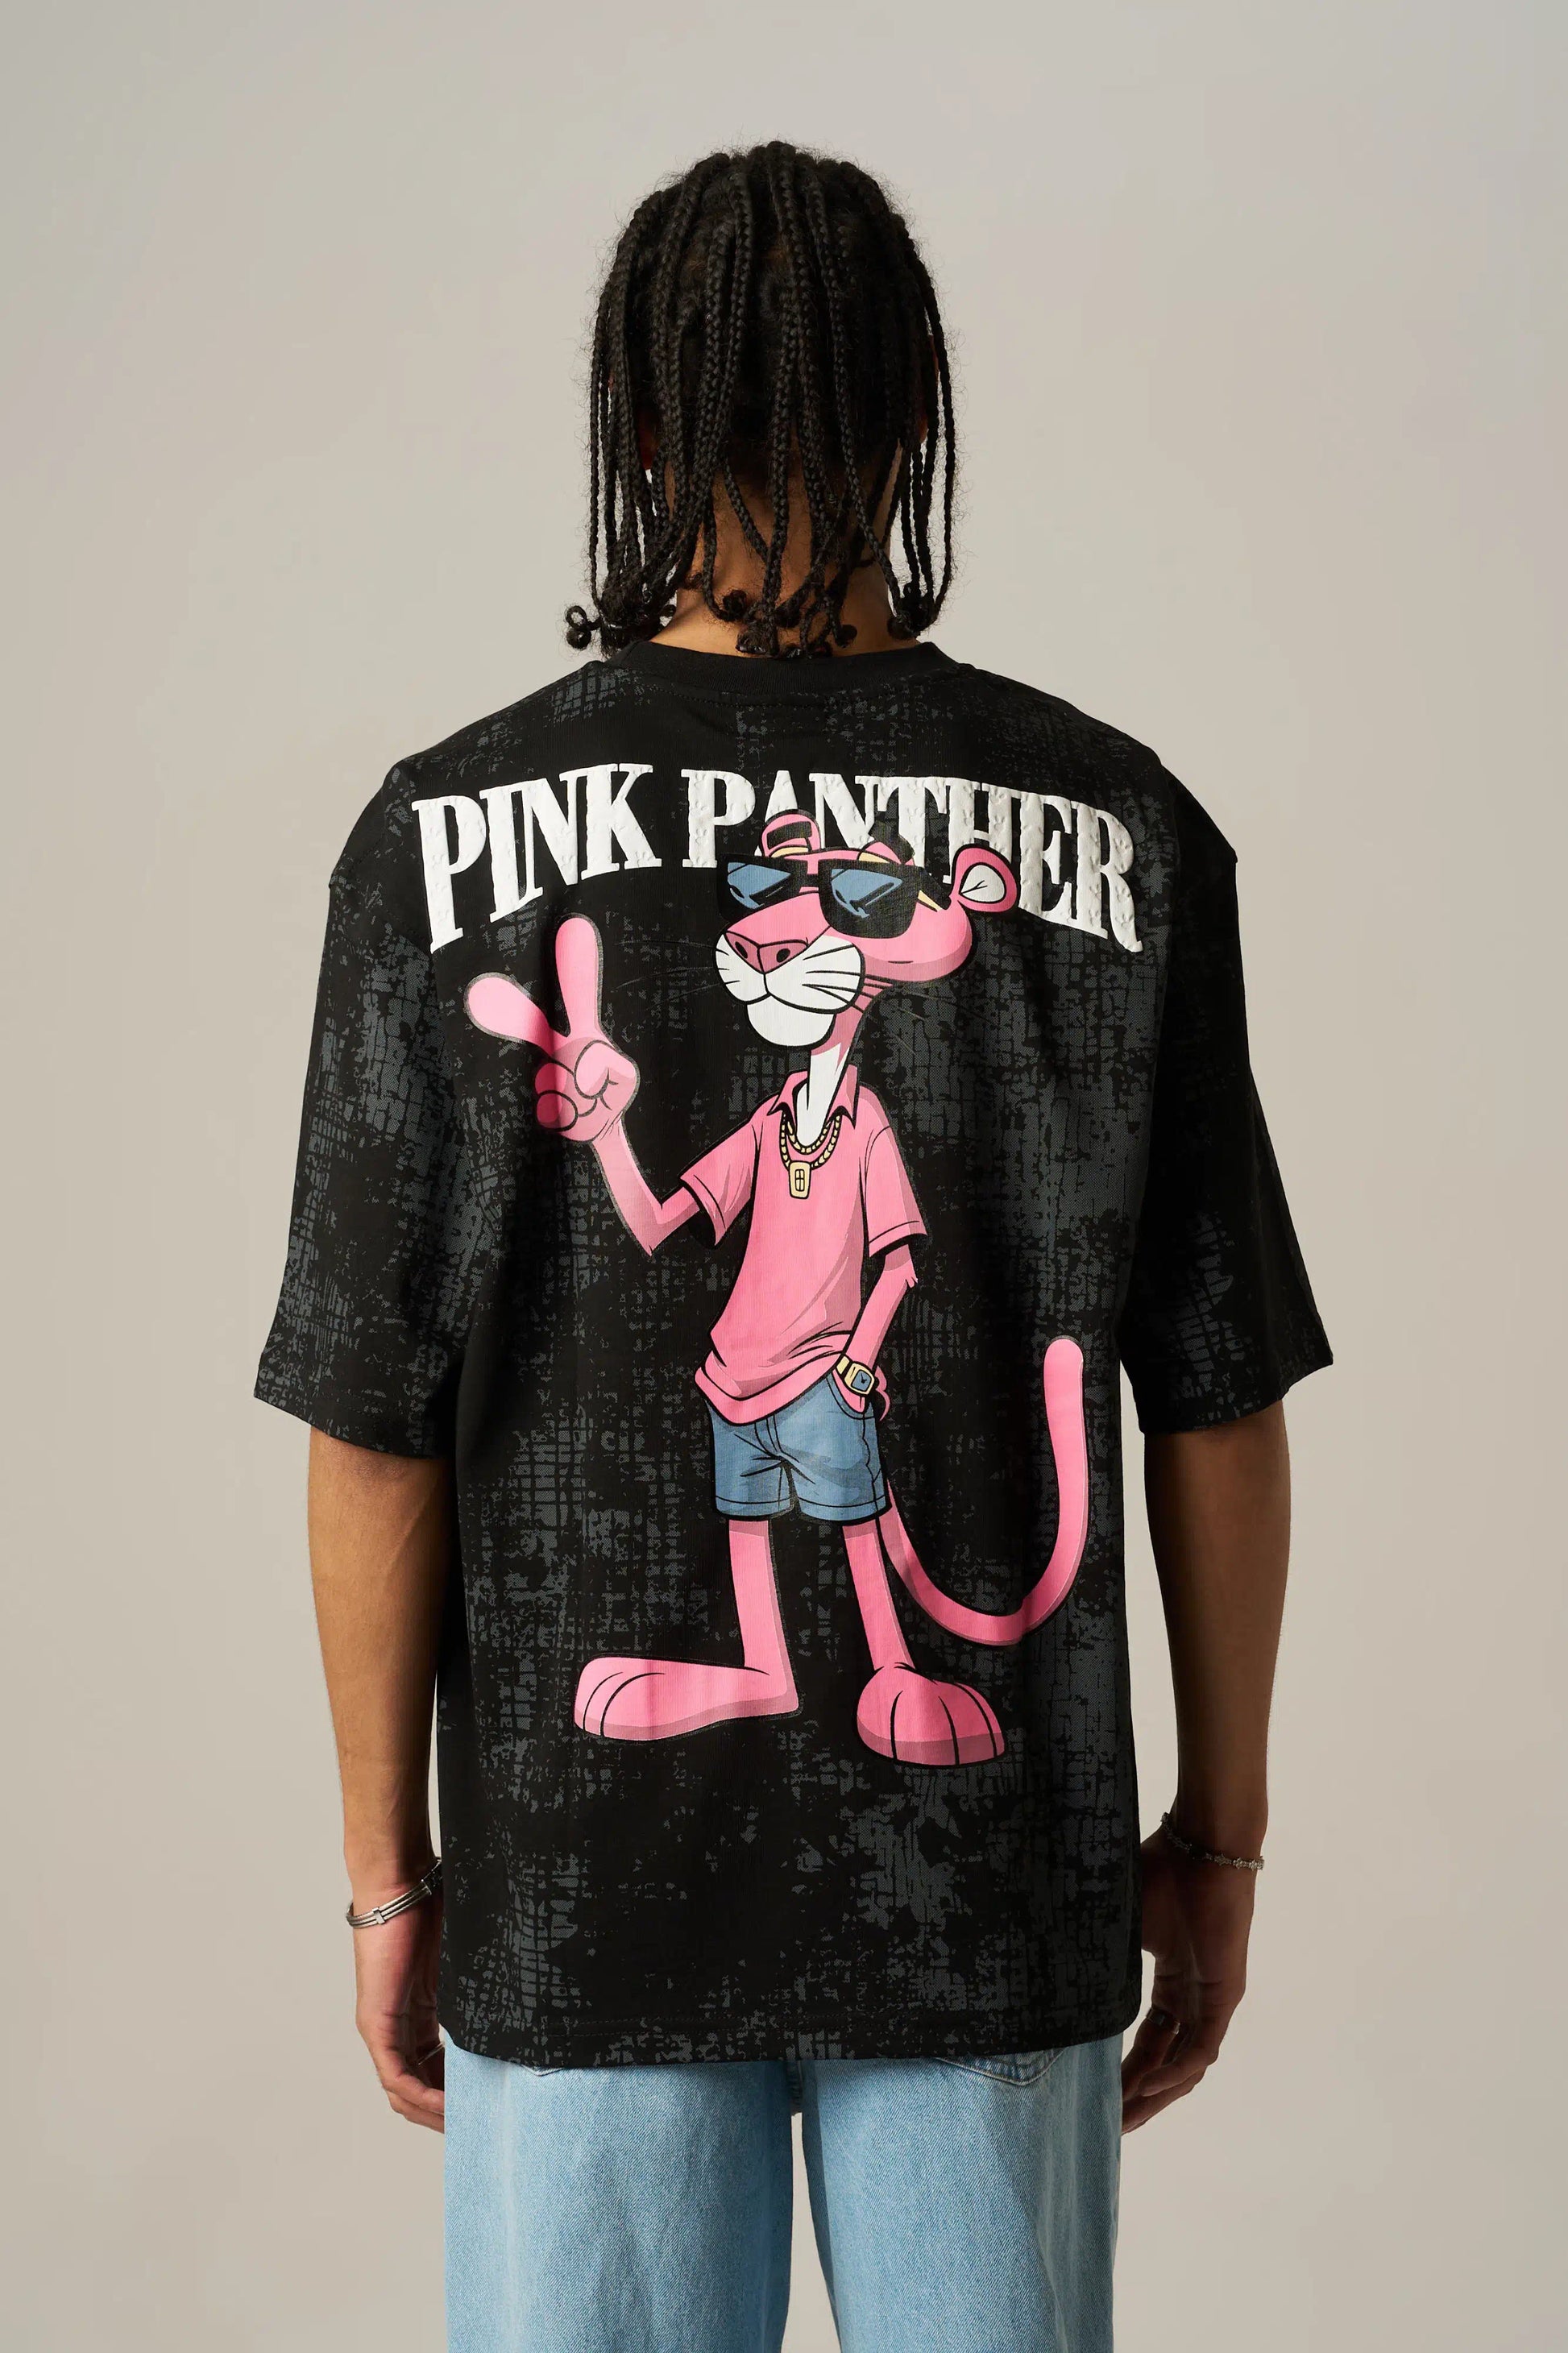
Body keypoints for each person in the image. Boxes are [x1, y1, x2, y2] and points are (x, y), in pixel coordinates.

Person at [257, 142, 1330, 2353]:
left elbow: (373, 1420)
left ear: (638, 429)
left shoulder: (433, 836)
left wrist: (388, 1878)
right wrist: (1216, 1839)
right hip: (986, 1883)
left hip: (582, 1892)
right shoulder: (1123, 828)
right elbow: (1216, 1399)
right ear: (916, 418)